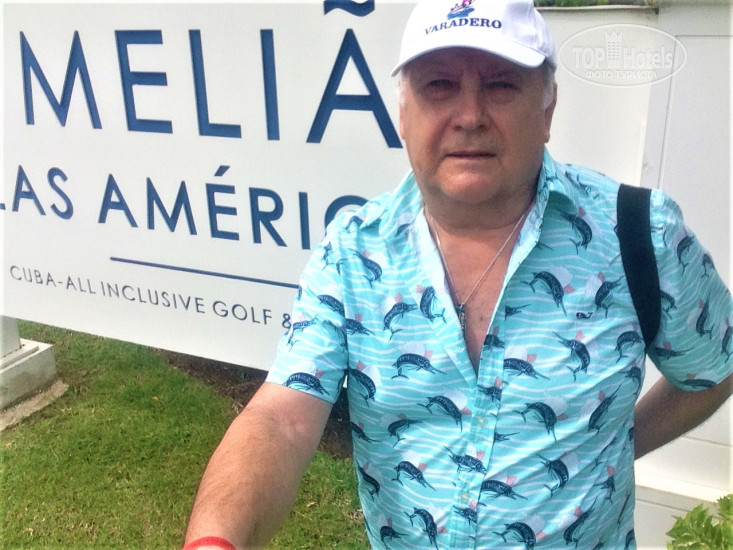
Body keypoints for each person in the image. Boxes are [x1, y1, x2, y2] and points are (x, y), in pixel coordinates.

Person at [184, 0, 733, 548]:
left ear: (547, 110)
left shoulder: (638, 233)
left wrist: (616, 443)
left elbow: (716, 367)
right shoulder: (352, 251)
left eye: (500, 85)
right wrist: (215, 541)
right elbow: (282, 419)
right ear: (403, 115)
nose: (470, 116)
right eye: (440, 85)